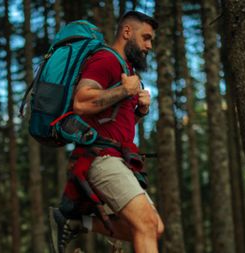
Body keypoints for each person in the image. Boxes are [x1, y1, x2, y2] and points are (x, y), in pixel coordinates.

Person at [49, 11, 164, 253]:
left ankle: (75, 222)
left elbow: (113, 125)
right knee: (147, 223)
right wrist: (124, 91)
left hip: (116, 158)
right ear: (126, 32)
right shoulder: (106, 59)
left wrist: (139, 112)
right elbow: (81, 102)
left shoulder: (126, 70)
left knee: (154, 228)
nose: (149, 46)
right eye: (145, 38)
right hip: (100, 158)